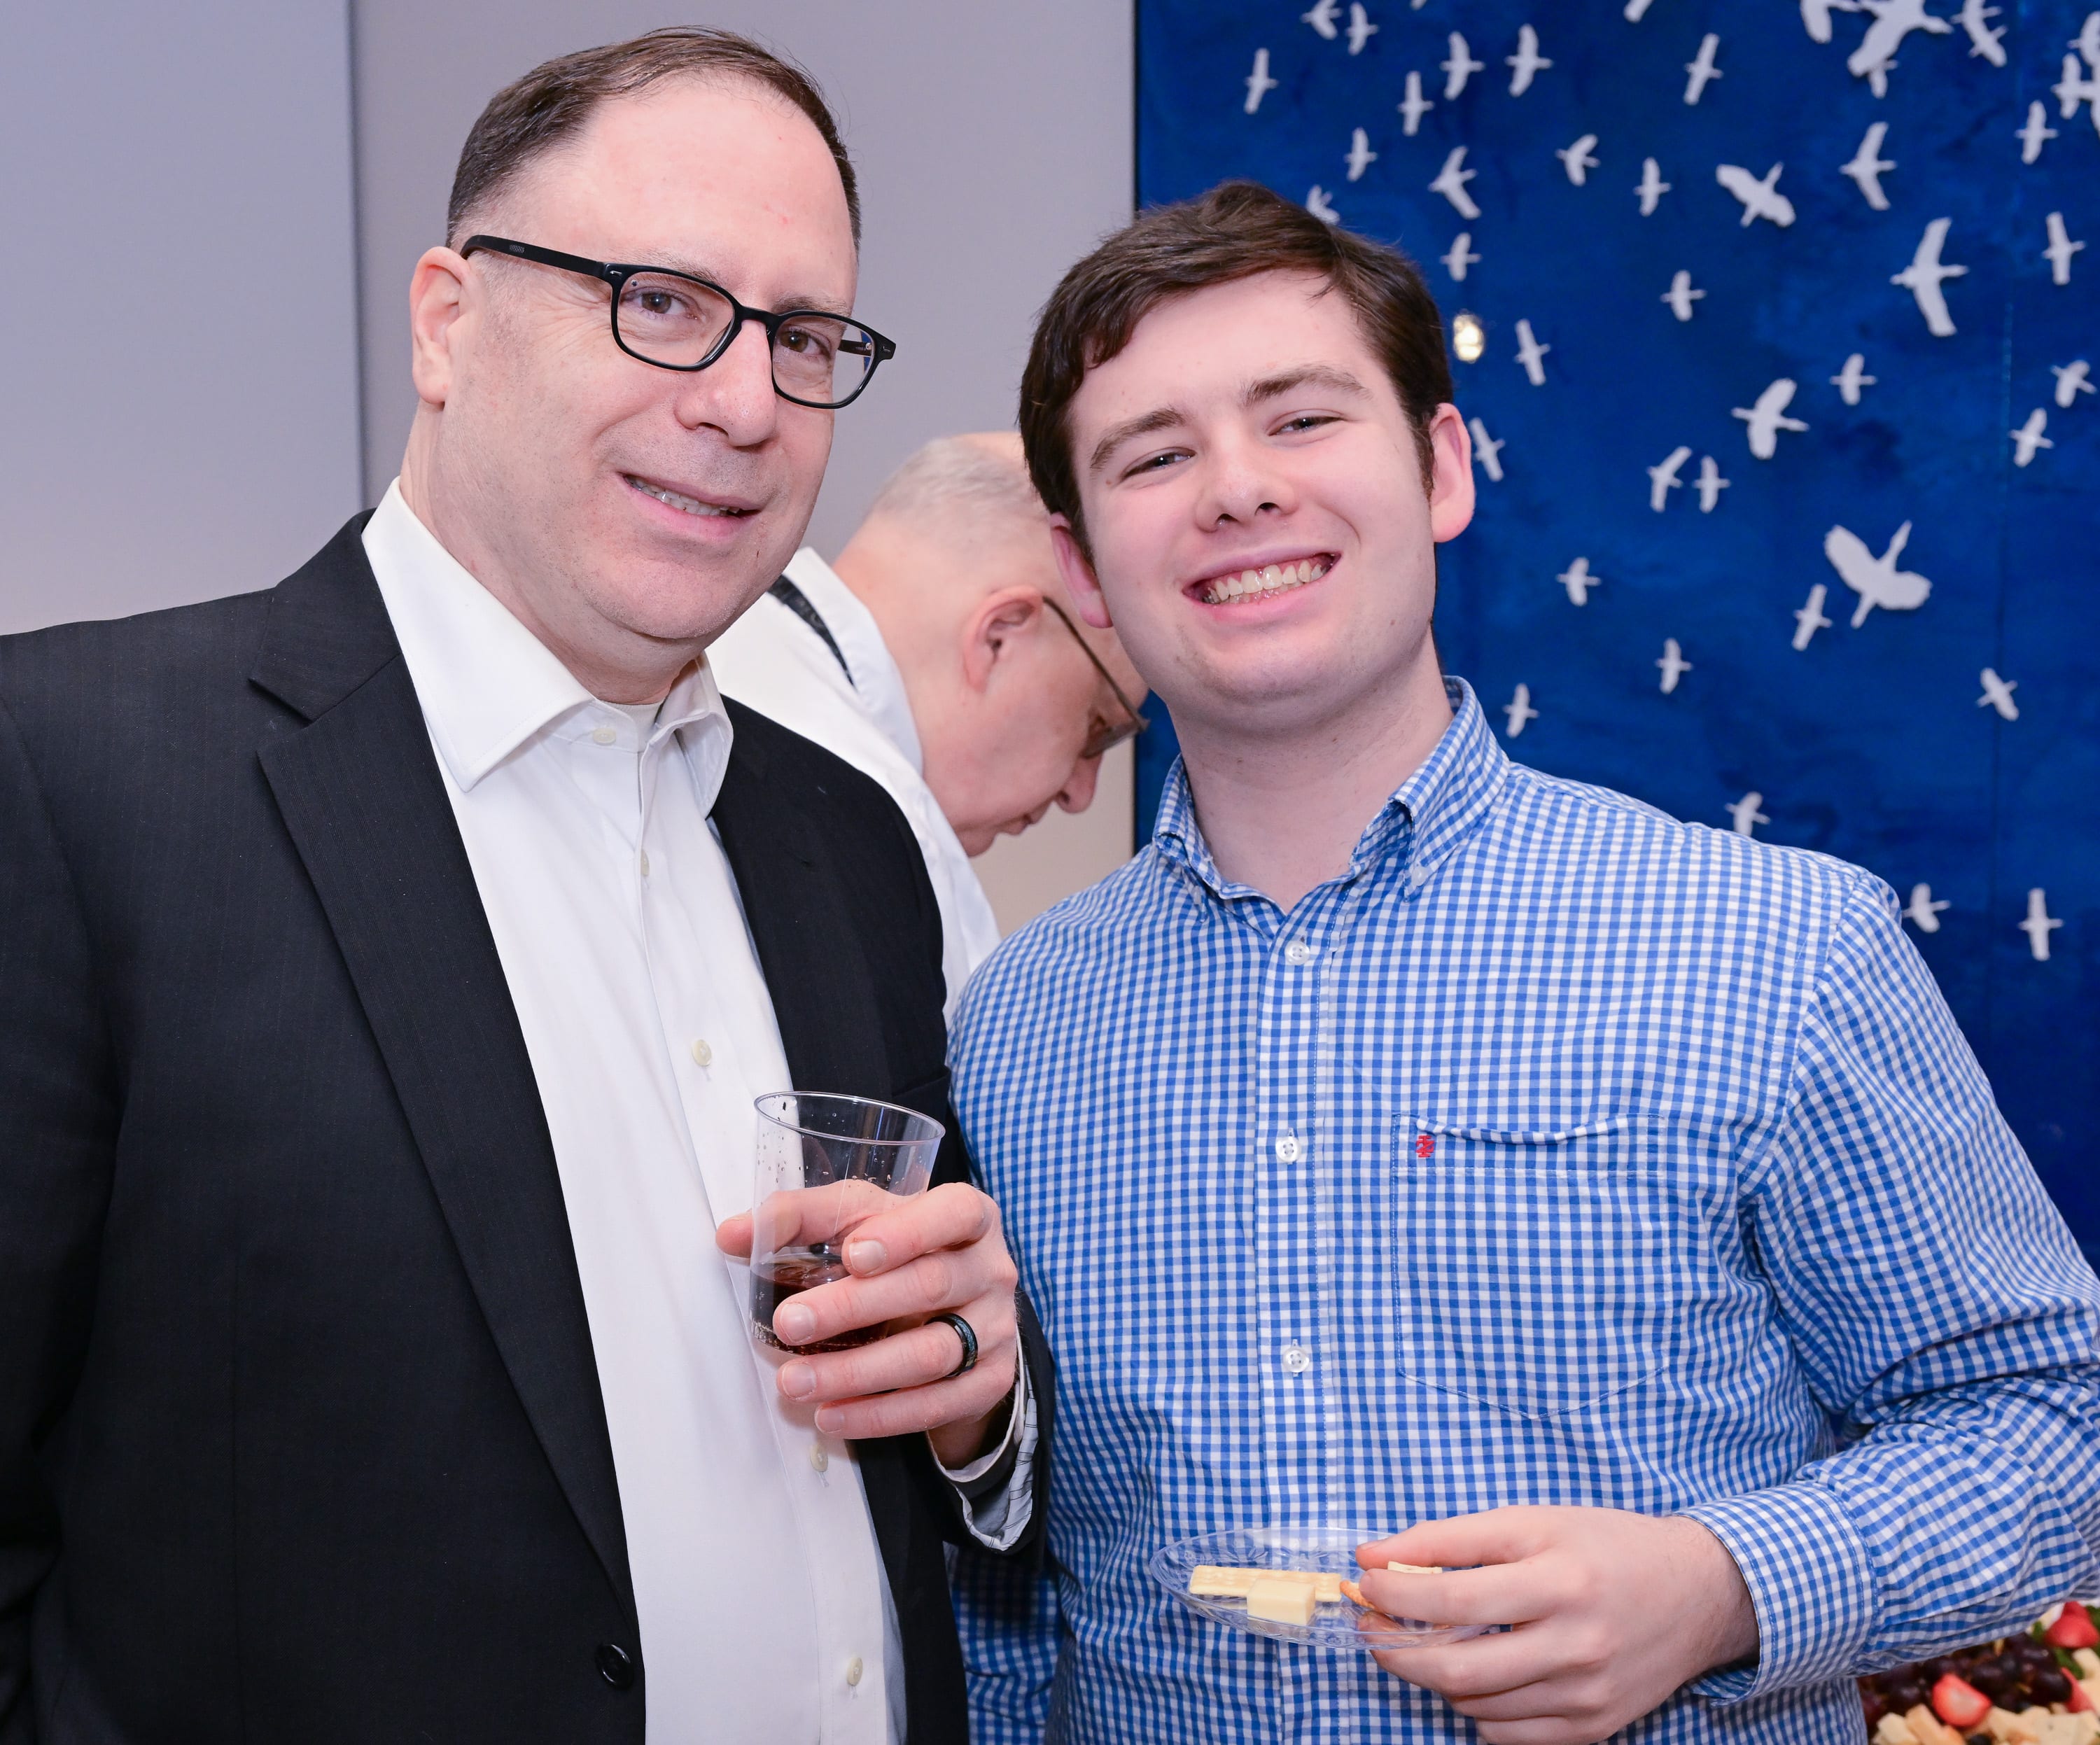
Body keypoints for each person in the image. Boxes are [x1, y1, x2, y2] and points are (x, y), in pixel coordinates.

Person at [946, 180, 2100, 1745]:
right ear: (1083, 568)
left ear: (1440, 467)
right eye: (1154, 456)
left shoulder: (1776, 947)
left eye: (1302, 418)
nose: (1237, 489)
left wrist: (1723, 1584)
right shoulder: (1014, 1026)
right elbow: (1010, 1586)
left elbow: (2054, 1415)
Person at [0, 30, 1048, 1745]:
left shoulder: (853, 843)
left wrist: (975, 1398)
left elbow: (922, 1433)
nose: (744, 403)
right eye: (660, 302)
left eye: (801, 338)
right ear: (446, 321)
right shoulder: (75, 777)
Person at [709, 431, 1149, 1016]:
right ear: (1000, 636)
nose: (1080, 793)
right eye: (1099, 725)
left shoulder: (693, 671)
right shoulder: (874, 831)